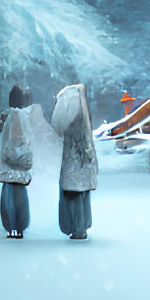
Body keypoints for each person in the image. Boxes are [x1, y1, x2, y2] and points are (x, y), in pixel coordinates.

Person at [52, 83, 98, 241]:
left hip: (73, 164)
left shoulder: (69, 114)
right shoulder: (80, 119)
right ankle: (80, 227)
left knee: (74, 194)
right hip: (80, 164)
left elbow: (58, 129)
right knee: (80, 194)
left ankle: (77, 228)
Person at [0, 84, 34, 239]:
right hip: (20, 171)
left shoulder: (12, 117)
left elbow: (10, 143)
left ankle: (13, 228)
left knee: (9, 202)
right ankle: (18, 228)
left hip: (9, 170)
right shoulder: (24, 116)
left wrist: (7, 155)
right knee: (18, 200)